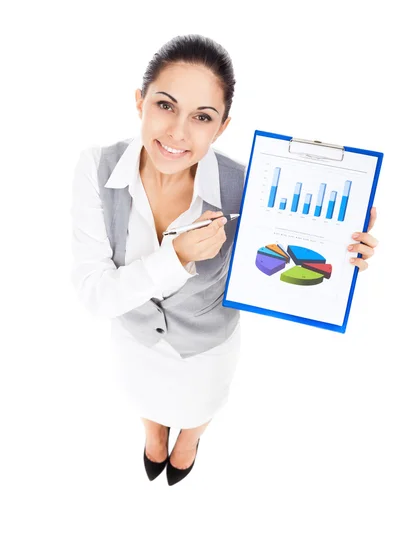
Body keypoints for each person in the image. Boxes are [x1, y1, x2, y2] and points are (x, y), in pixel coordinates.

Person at [70, 34, 379, 486]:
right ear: (140, 102)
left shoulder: (249, 189)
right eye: (165, 105)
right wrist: (175, 256)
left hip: (206, 351)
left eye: (202, 117)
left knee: (199, 406)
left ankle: (189, 440)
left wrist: (336, 251)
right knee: (142, 399)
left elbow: (283, 270)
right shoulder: (96, 167)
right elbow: (95, 297)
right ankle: (153, 433)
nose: (178, 132)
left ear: (222, 127)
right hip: (132, 341)